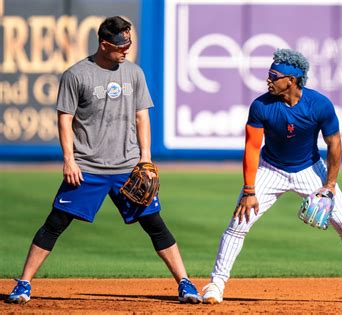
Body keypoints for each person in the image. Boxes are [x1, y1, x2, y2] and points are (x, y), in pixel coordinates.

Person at [7, 16, 201, 304]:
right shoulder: (77, 74)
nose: (126, 50)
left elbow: (141, 116)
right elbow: (65, 118)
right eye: (121, 45)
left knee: (155, 224)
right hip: (88, 167)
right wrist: (69, 160)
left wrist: (145, 160)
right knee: (55, 222)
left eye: (129, 44)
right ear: (104, 43)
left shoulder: (134, 73)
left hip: (127, 168)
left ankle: (185, 283)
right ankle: (23, 284)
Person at [201, 48, 342, 304]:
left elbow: (334, 144)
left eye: (274, 76)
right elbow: (252, 147)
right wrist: (249, 189)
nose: (268, 80)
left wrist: (329, 185)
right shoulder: (261, 106)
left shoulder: (319, 104)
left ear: (292, 80)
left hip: (309, 169)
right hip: (271, 169)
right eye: (269, 74)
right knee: (239, 223)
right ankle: (215, 284)